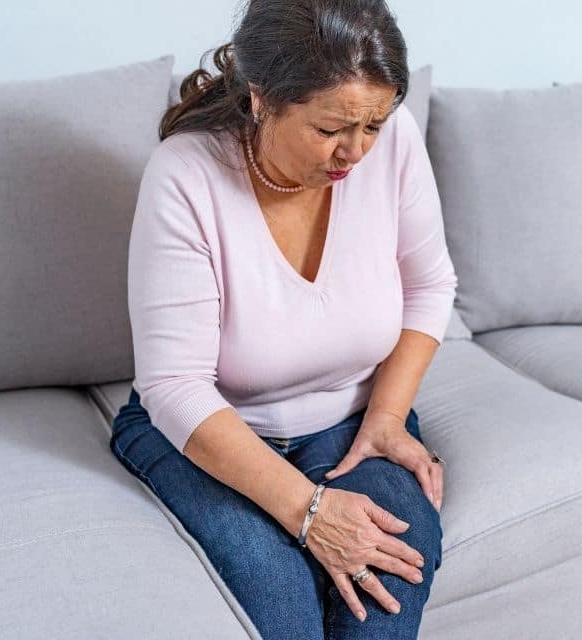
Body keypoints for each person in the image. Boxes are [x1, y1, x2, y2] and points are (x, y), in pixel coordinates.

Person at [109, 0, 458, 638]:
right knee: (282, 611)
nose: (355, 152)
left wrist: (384, 420)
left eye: (374, 125)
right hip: (208, 433)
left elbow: (431, 284)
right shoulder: (186, 175)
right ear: (262, 99)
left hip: (353, 419)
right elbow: (175, 386)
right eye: (332, 129)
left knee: (386, 593)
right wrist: (310, 512)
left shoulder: (393, 141)